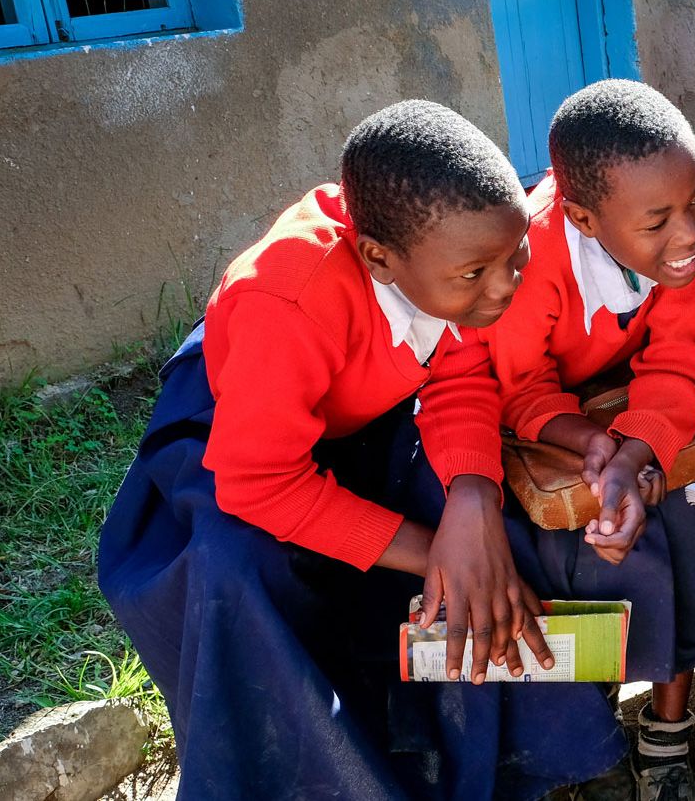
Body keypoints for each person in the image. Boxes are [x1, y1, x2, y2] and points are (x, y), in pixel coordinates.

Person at [98, 100, 627, 800]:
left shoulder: (458, 255)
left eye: (517, 255)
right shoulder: (287, 302)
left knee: (484, 532)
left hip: (366, 414)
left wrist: (472, 496)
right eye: (477, 274)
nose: (506, 288)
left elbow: (463, 372)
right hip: (240, 435)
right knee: (243, 577)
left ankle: (487, 769)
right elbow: (260, 481)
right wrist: (438, 553)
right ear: (378, 258)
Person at [482, 80, 695, 801]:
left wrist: (636, 451)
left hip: (644, 416)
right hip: (550, 434)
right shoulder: (527, 255)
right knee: (580, 555)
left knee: (687, 524)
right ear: (584, 219)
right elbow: (520, 386)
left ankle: (667, 734)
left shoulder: (687, 242)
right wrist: (593, 446)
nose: (689, 234)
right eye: (658, 221)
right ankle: (587, 736)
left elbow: (680, 358)